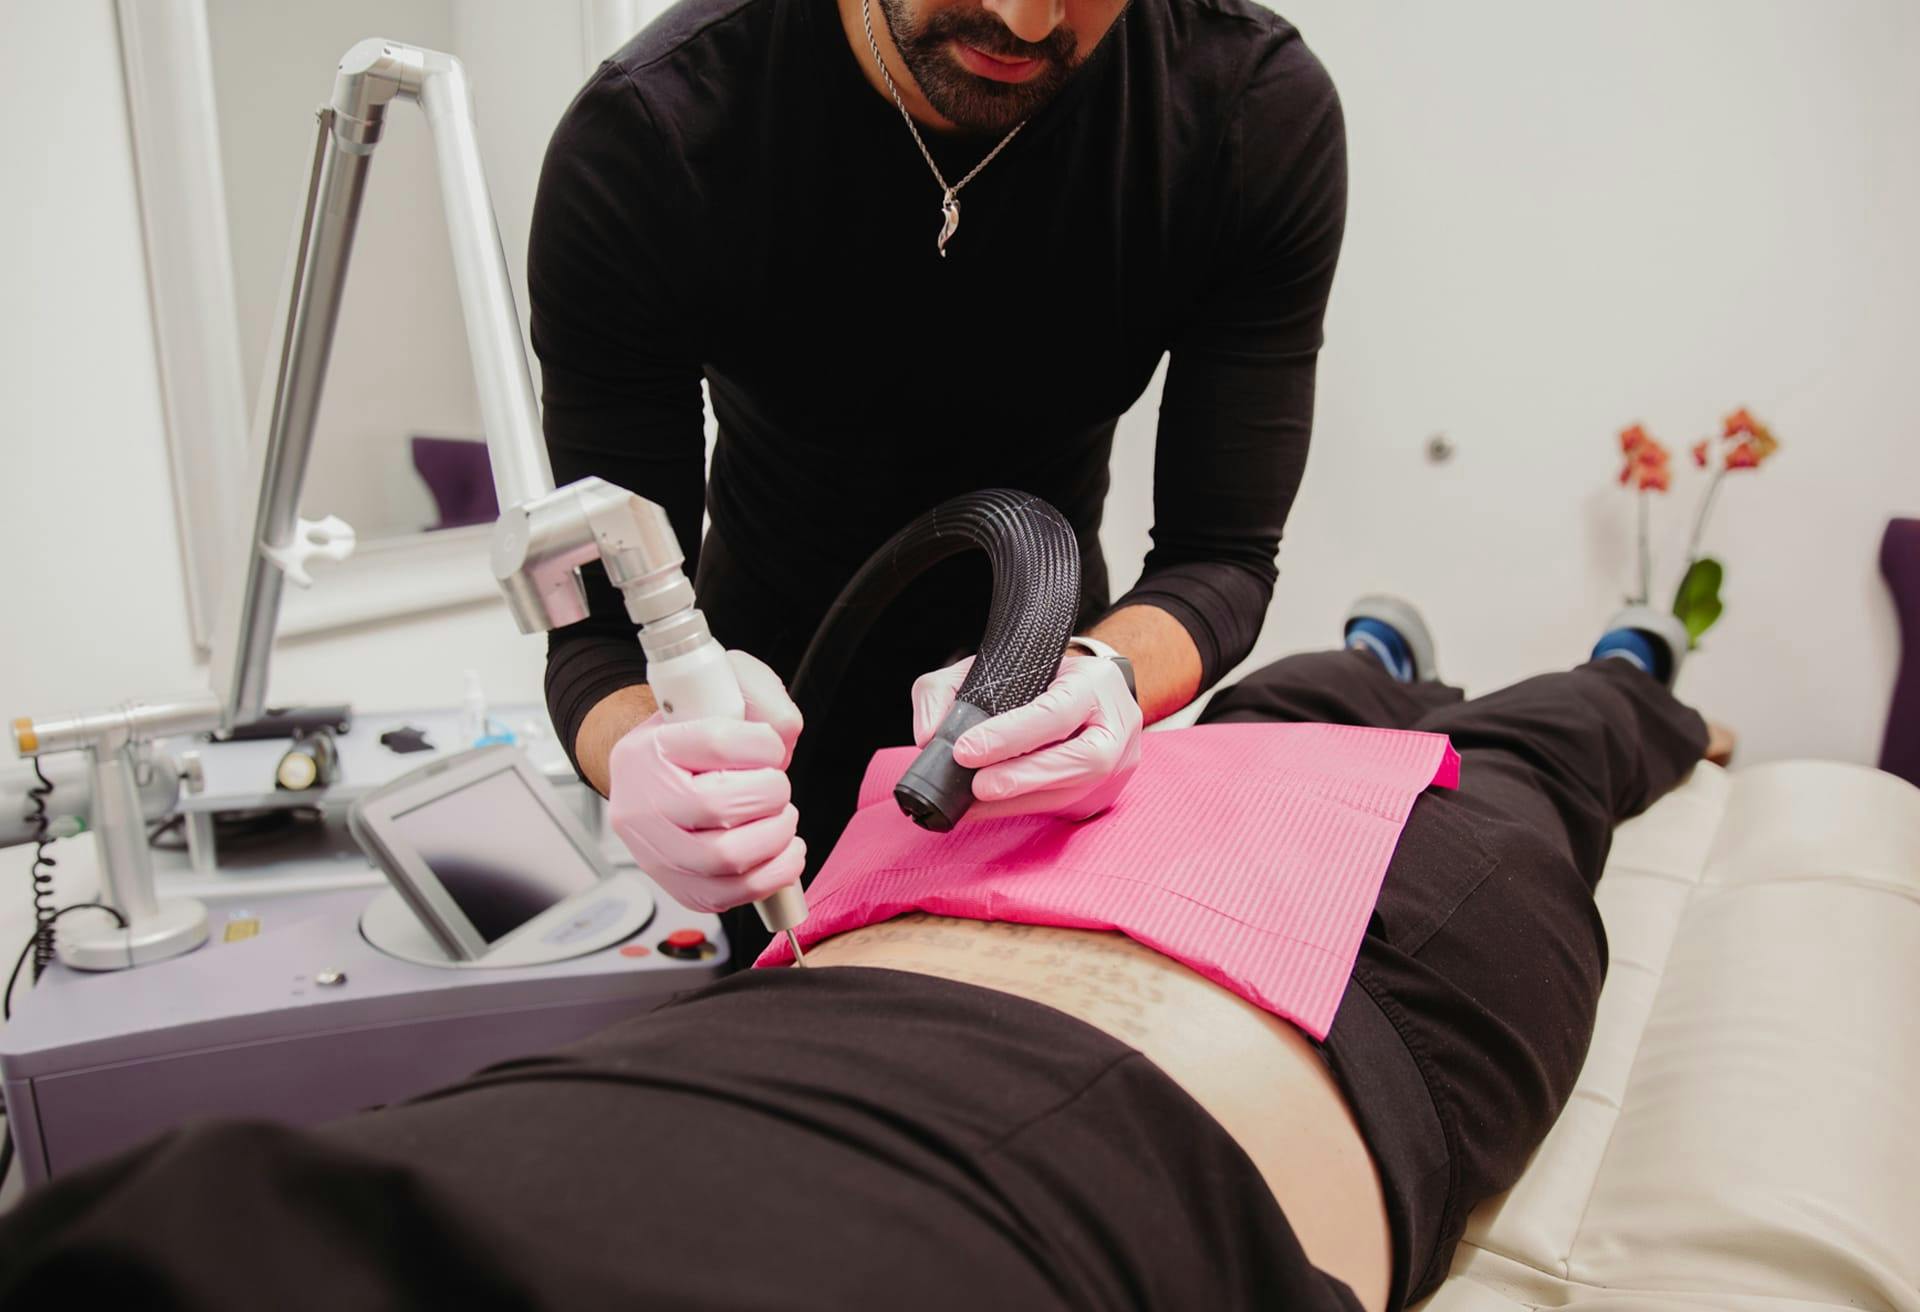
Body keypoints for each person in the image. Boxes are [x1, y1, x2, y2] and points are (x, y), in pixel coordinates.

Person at [0, 602, 1719, 1311]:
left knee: (1242, 715)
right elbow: (592, 610)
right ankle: (1614, 669)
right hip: (1334, 989)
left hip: (965, 906)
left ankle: (1379, 651)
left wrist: (1117, 658)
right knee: (1524, 767)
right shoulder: (660, 139)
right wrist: (618, 738)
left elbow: (1215, 540)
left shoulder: (172, 1248)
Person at [530, 0, 1349, 962]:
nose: (1027, 18)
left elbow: (1223, 559)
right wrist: (638, 752)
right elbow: (596, 633)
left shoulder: (1247, 112)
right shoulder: (652, 133)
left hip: (1048, 701)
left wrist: (1107, 677)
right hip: (768, 731)